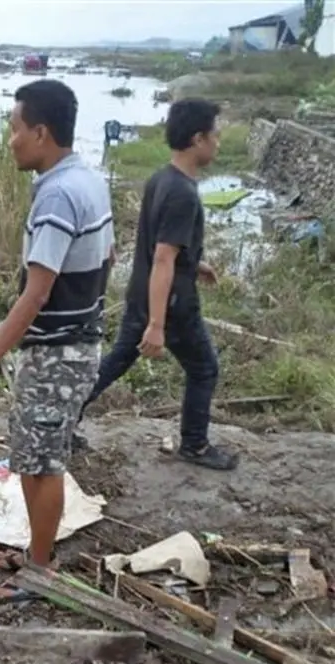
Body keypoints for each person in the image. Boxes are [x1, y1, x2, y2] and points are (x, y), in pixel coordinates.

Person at [0, 80, 114, 601]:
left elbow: (36, 293)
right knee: (41, 456)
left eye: (14, 128)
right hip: (79, 342)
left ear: (41, 133)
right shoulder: (88, 178)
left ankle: (40, 573)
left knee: (40, 464)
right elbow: (107, 259)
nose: (10, 139)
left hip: (56, 353)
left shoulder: (59, 194)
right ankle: (39, 554)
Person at [80, 98, 237, 471]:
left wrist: (195, 263)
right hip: (171, 302)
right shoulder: (182, 192)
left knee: (116, 361)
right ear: (198, 139)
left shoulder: (161, 178)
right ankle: (195, 446)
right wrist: (157, 323)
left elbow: (160, 247)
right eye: (216, 135)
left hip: (143, 291)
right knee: (204, 368)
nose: (219, 143)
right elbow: (164, 257)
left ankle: (60, 420)